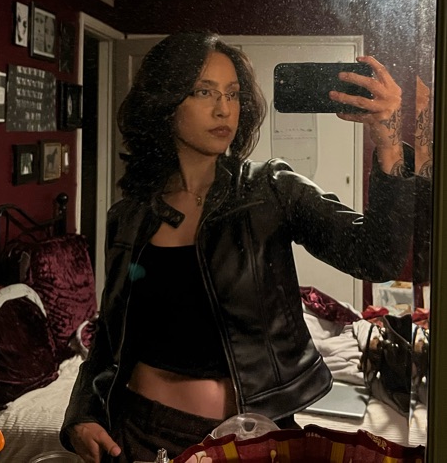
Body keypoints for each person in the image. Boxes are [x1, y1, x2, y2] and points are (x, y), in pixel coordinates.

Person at [60, 32, 416, 463]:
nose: (223, 109)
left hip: (256, 435)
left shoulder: (271, 188)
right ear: (165, 101)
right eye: (203, 91)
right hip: (142, 433)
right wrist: (81, 414)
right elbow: (109, 335)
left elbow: (377, 256)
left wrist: (388, 142)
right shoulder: (129, 215)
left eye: (231, 94)